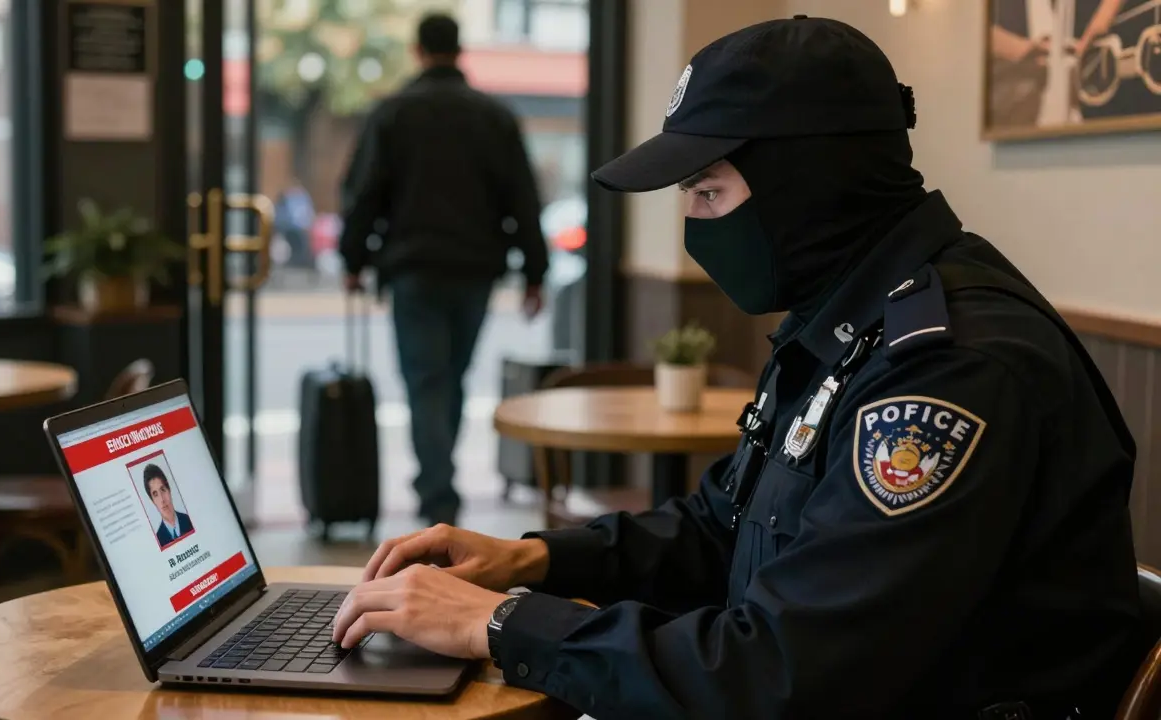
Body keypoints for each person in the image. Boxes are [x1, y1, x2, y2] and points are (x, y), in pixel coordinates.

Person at [331, 15, 1146, 718]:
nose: (692, 224)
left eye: (708, 193)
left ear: (808, 181)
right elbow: (724, 527)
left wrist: (499, 625)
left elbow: (784, 678)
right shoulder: (843, 323)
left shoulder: (948, 370)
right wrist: (535, 561)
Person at [339, 12, 548, 528]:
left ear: (417, 51)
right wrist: (535, 272)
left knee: (426, 382)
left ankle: (437, 493)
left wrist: (354, 259)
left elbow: (363, 193)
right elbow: (523, 197)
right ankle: (439, 483)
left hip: (414, 271)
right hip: (476, 271)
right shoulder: (494, 117)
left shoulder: (392, 114)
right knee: (453, 377)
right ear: (459, 51)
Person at [144, 463, 193, 547]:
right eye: (155, 494)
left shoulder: (190, 520)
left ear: (169, 490)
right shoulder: (158, 540)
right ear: (153, 501)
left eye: (163, 489)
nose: (162, 499)